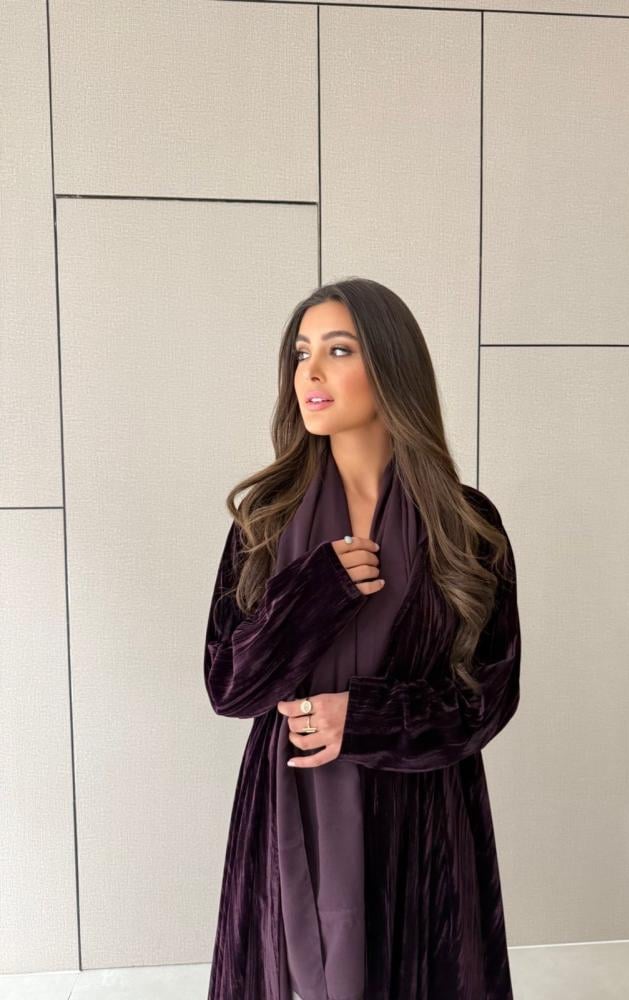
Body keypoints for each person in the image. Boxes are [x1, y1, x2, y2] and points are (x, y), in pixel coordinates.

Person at [204, 277, 522, 1000]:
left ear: (390, 366)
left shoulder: (466, 526)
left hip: (420, 818)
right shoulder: (265, 520)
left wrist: (367, 718)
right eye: (301, 353)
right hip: (290, 805)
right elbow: (228, 686)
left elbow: (488, 696)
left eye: (338, 350)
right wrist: (314, 594)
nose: (309, 373)